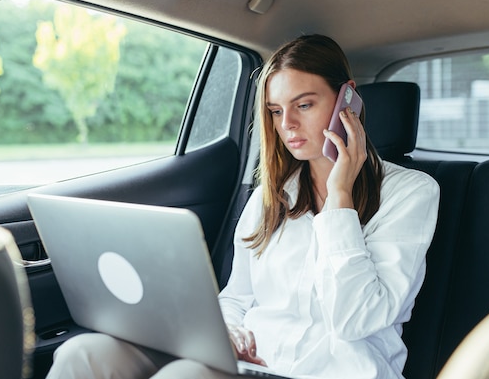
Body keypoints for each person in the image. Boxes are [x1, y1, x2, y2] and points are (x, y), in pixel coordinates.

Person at [46, 34, 440, 379]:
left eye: (303, 105)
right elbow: (237, 297)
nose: (286, 125)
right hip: (251, 362)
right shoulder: (273, 195)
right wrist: (229, 333)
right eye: (275, 110)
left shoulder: (410, 193)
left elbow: (356, 320)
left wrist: (339, 200)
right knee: (84, 353)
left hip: (332, 372)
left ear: (347, 99)